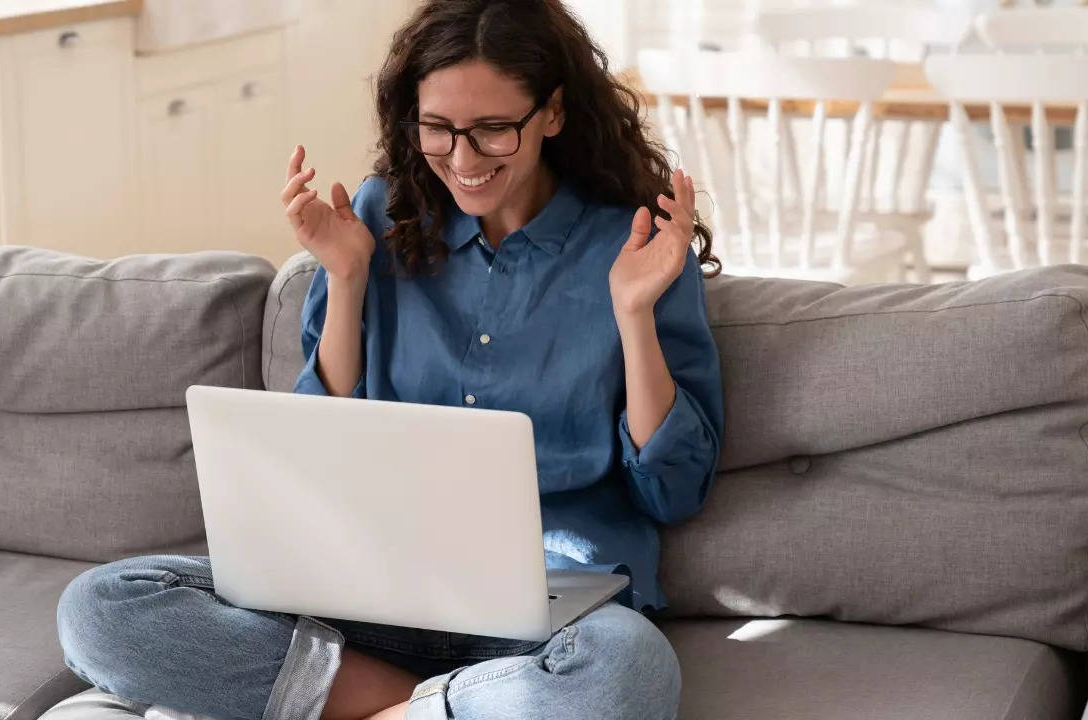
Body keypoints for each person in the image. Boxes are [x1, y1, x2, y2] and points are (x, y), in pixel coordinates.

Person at [55, 1, 724, 719]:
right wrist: (345, 281)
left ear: (552, 113)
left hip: (553, 612)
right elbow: (315, 456)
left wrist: (633, 314)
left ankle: (341, 703)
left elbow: (673, 492)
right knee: (100, 608)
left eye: (494, 128)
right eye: (438, 128)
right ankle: (421, 708)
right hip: (367, 589)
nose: (464, 160)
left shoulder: (632, 246)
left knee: (627, 671)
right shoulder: (380, 216)